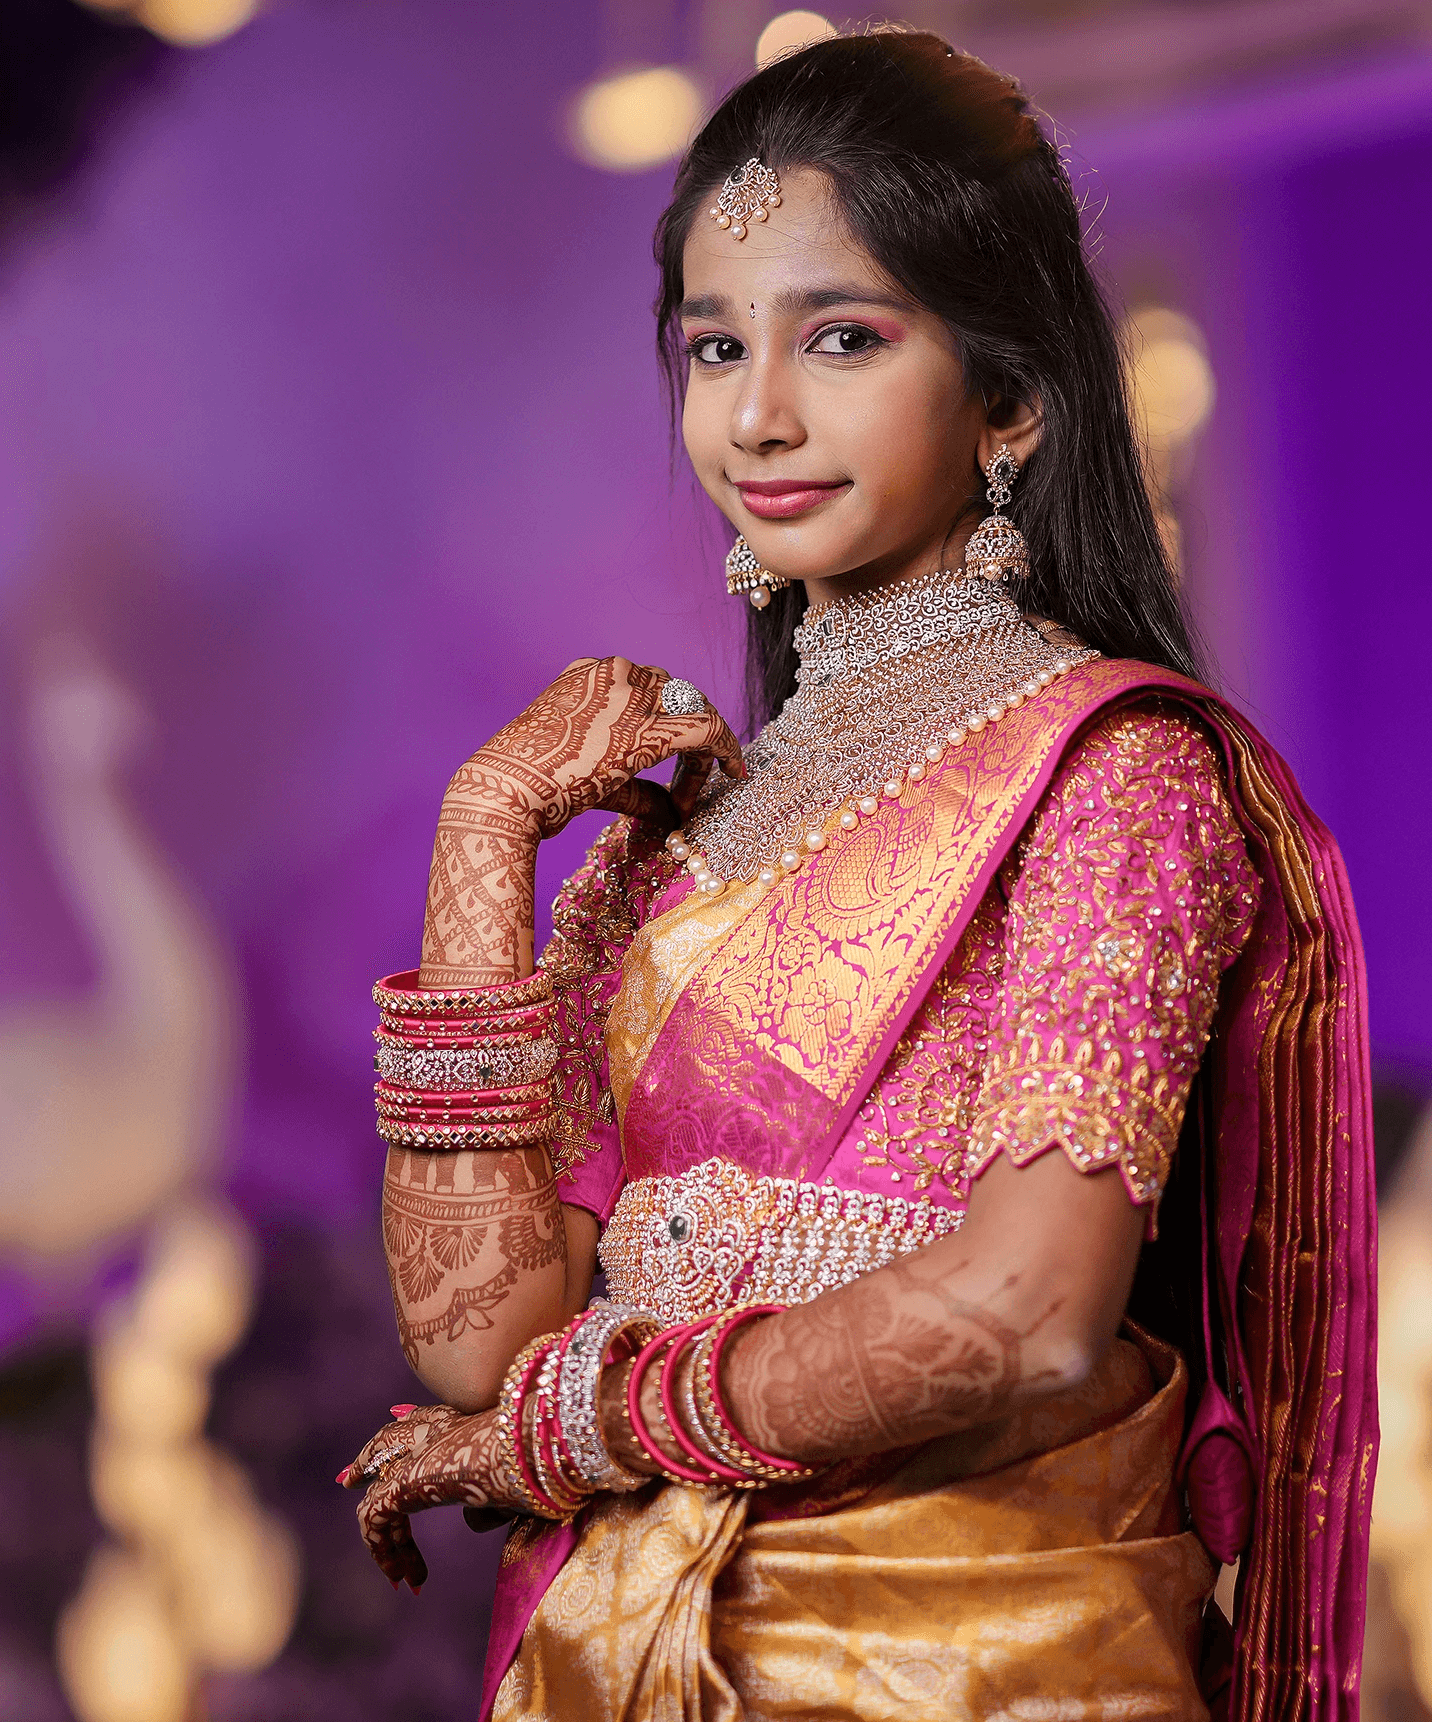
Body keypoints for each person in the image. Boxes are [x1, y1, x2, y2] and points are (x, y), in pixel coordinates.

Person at [340, 30, 1376, 1722]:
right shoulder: (674, 848)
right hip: (629, 1659)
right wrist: (485, 827)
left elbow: (1031, 1307)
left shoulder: (1114, 775)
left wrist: (578, 1428)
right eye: (713, 346)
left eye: (841, 338)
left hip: (971, 1662)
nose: (758, 414)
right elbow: (477, 1342)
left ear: (1010, 396)